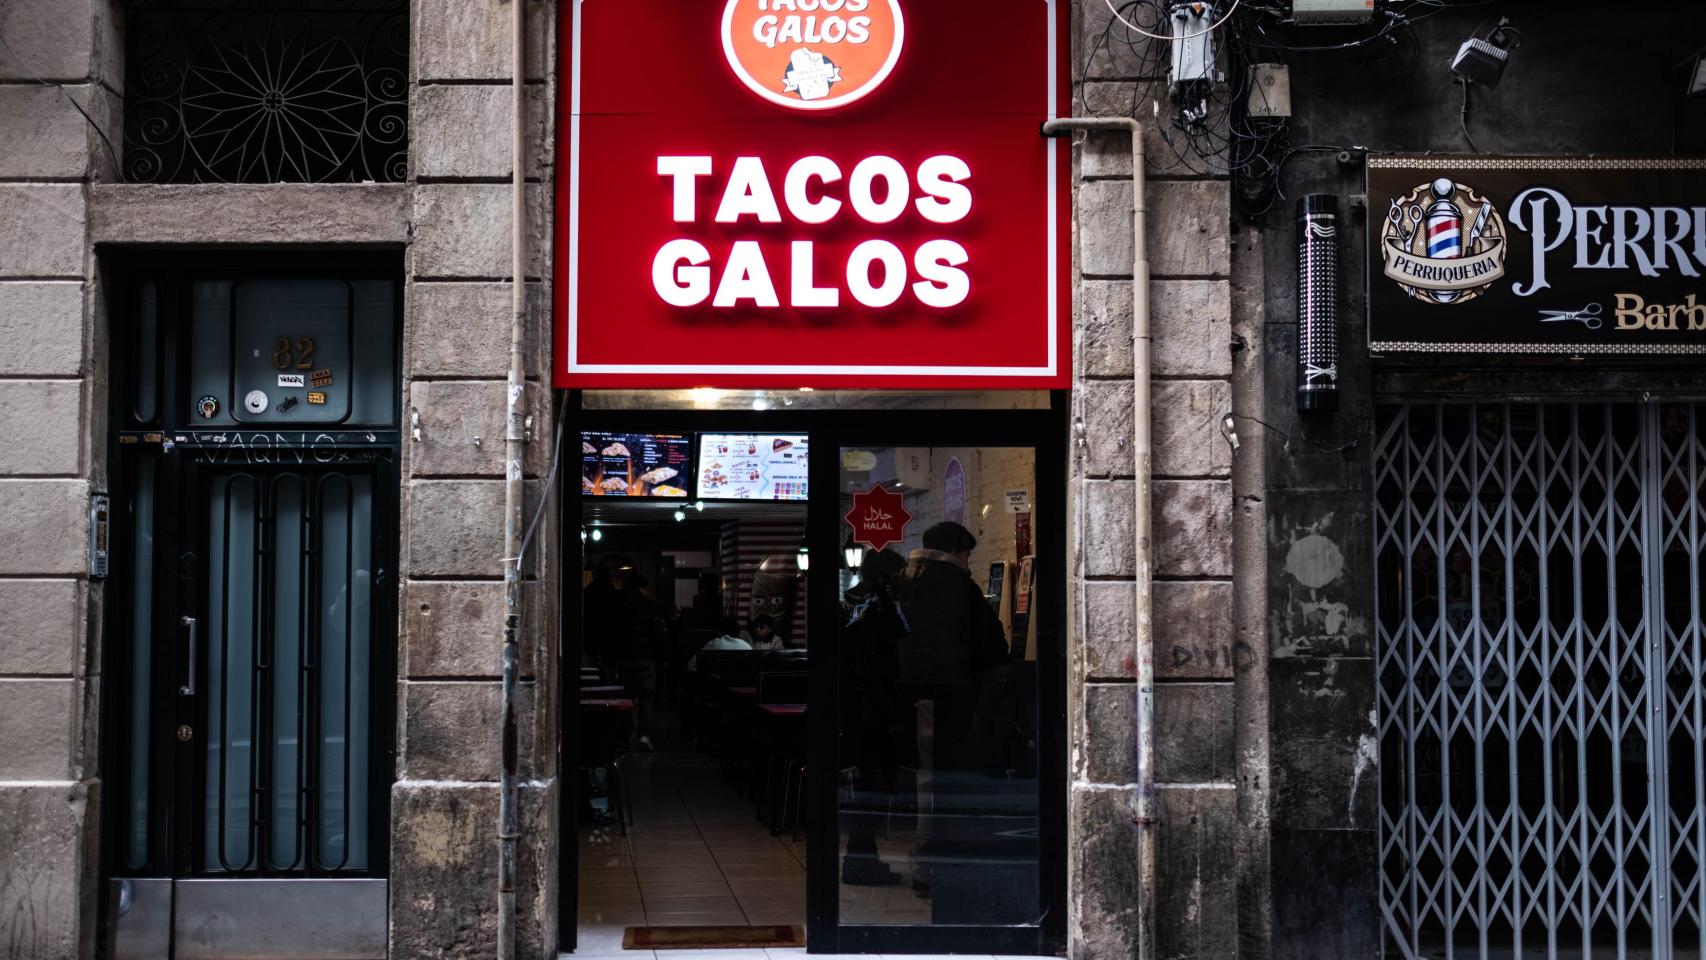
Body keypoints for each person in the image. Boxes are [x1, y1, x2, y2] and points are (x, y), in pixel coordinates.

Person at [894, 521, 1009, 898]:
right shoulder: (958, 584)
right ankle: (935, 864)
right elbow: (992, 644)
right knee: (943, 784)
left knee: (925, 781)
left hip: (910, 698)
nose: (969, 561)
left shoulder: (904, 580)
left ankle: (924, 862)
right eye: (967, 554)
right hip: (953, 697)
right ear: (958, 552)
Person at [839, 548, 909, 886]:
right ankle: (861, 859)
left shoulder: (848, 600)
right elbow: (900, 641)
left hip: (854, 703)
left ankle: (861, 855)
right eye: (899, 573)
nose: (902, 580)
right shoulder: (880, 604)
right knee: (875, 783)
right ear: (885, 575)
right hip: (875, 704)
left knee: (864, 784)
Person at [616, 569, 667, 752]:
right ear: (642, 588)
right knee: (646, 698)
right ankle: (644, 736)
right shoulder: (651, 607)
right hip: (646, 660)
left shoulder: (620, 607)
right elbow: (660, 636)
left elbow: (613, 635)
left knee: (626, 699)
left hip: (624, 660)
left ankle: (624, 737)